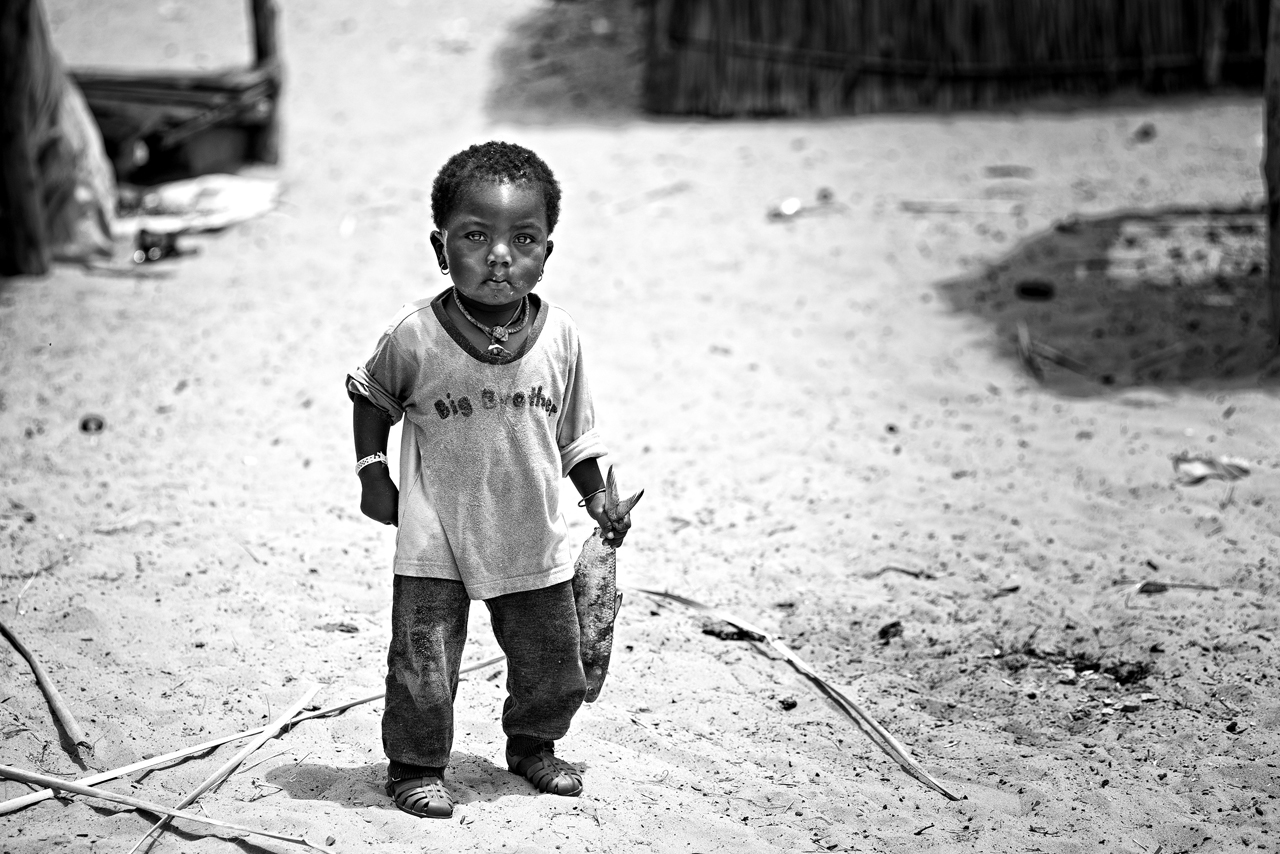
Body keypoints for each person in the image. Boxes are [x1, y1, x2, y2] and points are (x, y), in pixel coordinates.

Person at [346, 141, 633, 820]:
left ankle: (533, 745)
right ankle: (416, 766)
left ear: (546, 253)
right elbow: (371, 399)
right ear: (440, 247)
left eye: (522, 239)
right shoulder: (415, 336)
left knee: (553, 659)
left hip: (531, 529)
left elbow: (575, 435)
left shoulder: (561, 337)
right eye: (476, 237)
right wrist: (371, 472)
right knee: (422, 660)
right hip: (435, 533)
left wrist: (598, 497)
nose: (500, 255)